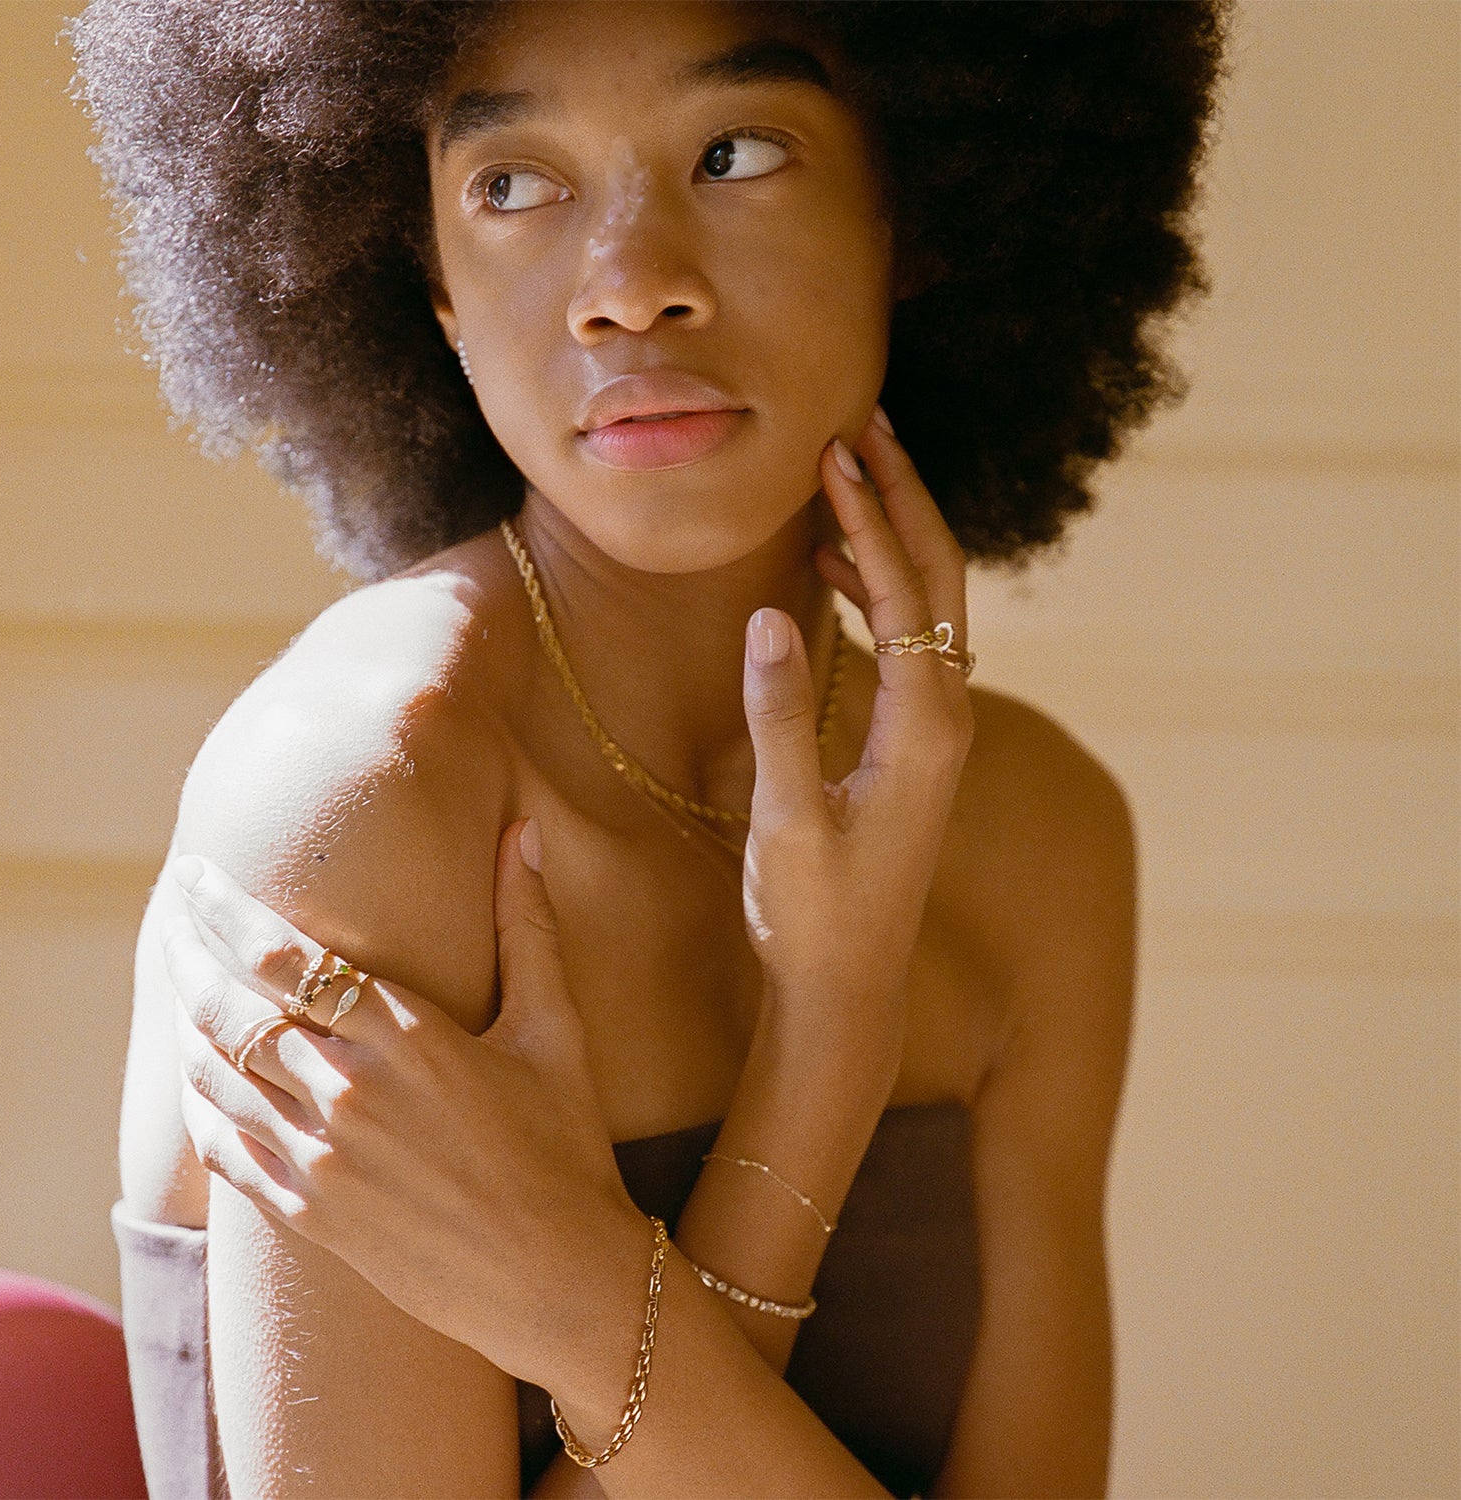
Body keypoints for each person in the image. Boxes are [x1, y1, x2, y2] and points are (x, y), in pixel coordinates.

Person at [70, 2, 1225, 1495]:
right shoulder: (361, 799)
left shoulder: (1036, 833)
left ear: (916, 213)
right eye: (510, 183)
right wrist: (822, 1062)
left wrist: (580, 1290)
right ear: (425, 274)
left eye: (736, 152)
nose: (629, 288)